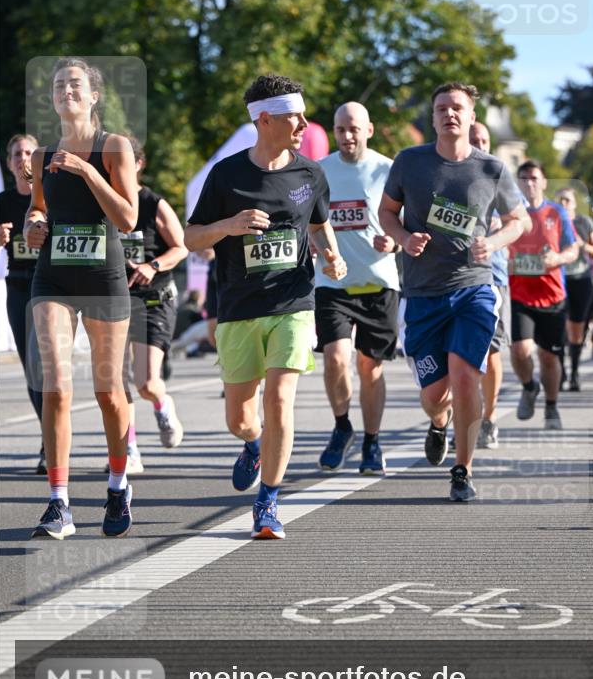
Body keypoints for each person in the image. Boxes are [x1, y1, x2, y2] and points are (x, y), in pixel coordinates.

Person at [185, 73, 347, 539]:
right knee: (240, 417)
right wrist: (230, 225)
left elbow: (319, 226)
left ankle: (269, 500)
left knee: (279, 398)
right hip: (238, 306)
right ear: (265, 120)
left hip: (293, 301)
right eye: (294, 116)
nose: (303, 124)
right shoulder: (227, 174)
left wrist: (331, 256)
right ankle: (252, 446)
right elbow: (191, 237)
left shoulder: (310, 173)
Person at [379, 82, 529, 501]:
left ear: (471, 117)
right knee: (434, 395)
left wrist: (494, 242)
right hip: (423, 292)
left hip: (474, 286)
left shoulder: (491, 169)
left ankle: (462, 470)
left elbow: (520, 221)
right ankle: (438, 421)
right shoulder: (410, 163)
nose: (449, 114)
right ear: (432, 118)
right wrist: (404, 238)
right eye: (441, 107)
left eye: (457, 108)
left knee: (466, 377)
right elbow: (386, 213)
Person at [25, 57, 138, 539]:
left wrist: (87, 173)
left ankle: (117, 483)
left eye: (74, 84)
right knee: (55, 382)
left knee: (108, 391)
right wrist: (34, 222)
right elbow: (39, 206)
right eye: (58, 85)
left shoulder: (113, 146)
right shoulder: (40, 155)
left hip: (103, 278)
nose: (65, 91)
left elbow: (128, 218)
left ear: (94, 96)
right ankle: (59, 502)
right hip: (53, 278)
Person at [315, 101, 400, 475]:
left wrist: (394, 243)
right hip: (333, 282)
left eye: (354, 129)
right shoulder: (319, 171)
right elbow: (308, 225)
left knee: (370, 368)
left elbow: (406, 223)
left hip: (378, 282)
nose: (347, 136)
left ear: (369, 129)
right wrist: (323, 252)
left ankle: (372, 441)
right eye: (340, 129)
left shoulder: (388, 170)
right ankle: (342, 426)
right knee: (335, 357)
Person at [107, 137, 187, 475]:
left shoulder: (153, 203)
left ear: (138, 165)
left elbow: (181, 247)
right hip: (115, 299)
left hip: (153, 298)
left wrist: (151, 266)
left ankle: (162, 404)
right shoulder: (103, 202)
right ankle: (131, 450)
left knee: (146, 383)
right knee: (117, 382)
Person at [509, 161, 578, 431]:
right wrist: (506, 261)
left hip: (552, 296)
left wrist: (556, 258)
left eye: (534, 178)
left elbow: (573, 251)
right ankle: (529, 387)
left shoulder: (557, 212)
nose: (529, 183)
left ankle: (551, 405)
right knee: (520, 349)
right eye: (524, 178)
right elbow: (498, 245)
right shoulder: (511, 214)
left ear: (544, 182)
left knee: (549, 357)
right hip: (521, 293)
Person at [0, 134, 45, 472]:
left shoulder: (52, 196)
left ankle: (53, 439)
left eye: (29, 152)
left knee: (47, 364)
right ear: (9, 161)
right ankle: (50, 435)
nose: (22, 158)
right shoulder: (1, 202)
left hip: (52, 286)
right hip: (18, 287)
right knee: (32, 369)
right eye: (16, 154)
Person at [466, 121, 513, 448]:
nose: (479, 144)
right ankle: (459, 419)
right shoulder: (448, 173)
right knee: (456, 354)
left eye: (483, 139)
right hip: (449, 273)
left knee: (491, 349)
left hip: (492, 276)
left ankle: (489, 417)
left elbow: (519, 224)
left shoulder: (499, 176)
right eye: (474, 140)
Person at [556, 187, 593, 391]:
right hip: (558, 281)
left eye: (567, 200)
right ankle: (561, 372)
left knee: (576, 330)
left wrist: (581, 245)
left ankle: (574, 372)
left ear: (575, 203)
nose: (564, 204)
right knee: (558, 329)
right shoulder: (552, 222)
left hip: (581, 280)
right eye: (560, 200)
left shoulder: (584, 222)